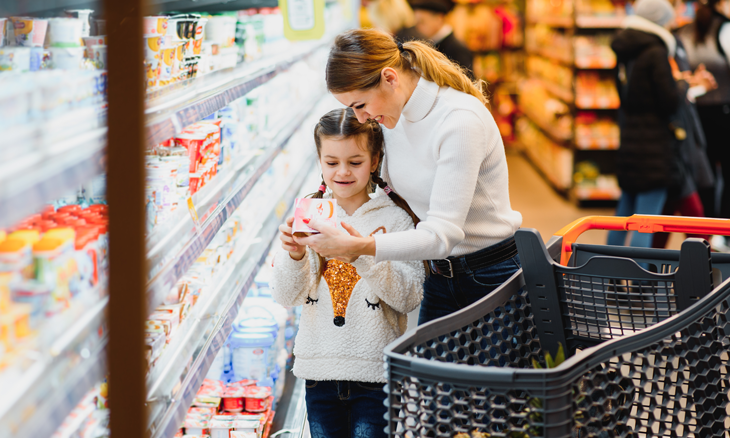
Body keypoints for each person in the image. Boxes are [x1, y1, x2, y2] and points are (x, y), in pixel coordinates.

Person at [295, 28, 523, 324]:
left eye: (360, 105)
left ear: (390, 79)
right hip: (438, 275)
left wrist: (361, 247)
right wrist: (314, 219)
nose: (361, 118)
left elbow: (442, 235)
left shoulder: (459, 120)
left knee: (490, 372)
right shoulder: (391, 116)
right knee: (432, 371)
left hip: (491, 276)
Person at [272, 108, 424, 438]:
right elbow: (286, 296)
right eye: (331, 162)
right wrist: (295, 255)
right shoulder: (311, 215)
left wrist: (363, 252)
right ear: (320, 160)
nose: (342, 172)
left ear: (375, 159)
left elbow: (409, 297)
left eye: (354, 162)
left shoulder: (397, 220)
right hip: (319, 372)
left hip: (376, 375)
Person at [607, 0, 690, 248]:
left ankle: (607, 273)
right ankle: (642, 282)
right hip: (654, 148)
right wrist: (683, 86)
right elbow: (668, 102)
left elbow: (624, 95)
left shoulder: (624, 50)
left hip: (631, 142)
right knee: (647, 221)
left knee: (622, 217)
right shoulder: (656, 52)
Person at [675, 0, 730, 224]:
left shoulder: (682, 32)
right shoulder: (725, 28)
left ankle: (706, 224)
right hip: (724, 110)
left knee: (702, 171)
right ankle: (724, 227)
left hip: (694, 112)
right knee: (726, 173)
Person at [409, 0, 474, 75]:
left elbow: (467, 82)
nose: (418, 27)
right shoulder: (433, 43)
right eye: (416, 22)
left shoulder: (457, 49)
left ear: (439, 18)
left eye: (422, 21)